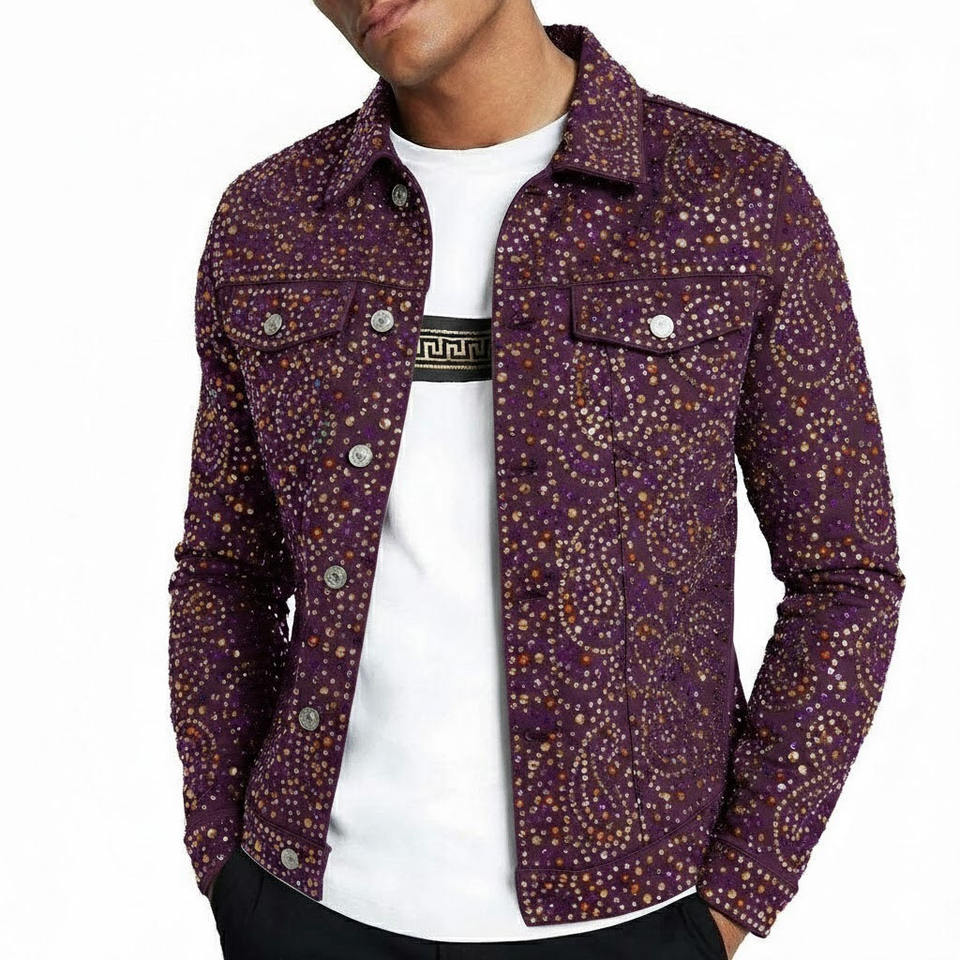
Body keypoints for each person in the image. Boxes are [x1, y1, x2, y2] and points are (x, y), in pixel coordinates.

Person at [167, 3, 906, 958]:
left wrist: (733, 897)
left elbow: (846, 575)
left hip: (634, 918)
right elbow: (225, 568)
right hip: (304, 903)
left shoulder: (736, 199)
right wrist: (225, 861)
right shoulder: (269, 221)